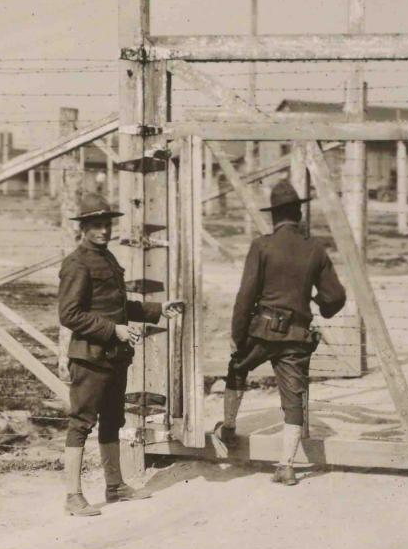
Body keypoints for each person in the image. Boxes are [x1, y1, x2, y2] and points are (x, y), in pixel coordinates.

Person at [57, 191, 184, 516]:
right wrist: (114, 330)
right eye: (96, 225)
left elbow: (117, 306)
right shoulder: (77, 263)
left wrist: (157, 309)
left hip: (115, 356)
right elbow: (69, 314)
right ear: (83, 227)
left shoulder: (108, 259)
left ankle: (115, 487)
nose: (104, 231)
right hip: (89, 357)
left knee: (113, 420)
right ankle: (73, 496)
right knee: (81, 423)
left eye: (106, 224)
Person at [213, 180, 346, 485]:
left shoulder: (262, 245)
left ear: (274, 216)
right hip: (297, 337)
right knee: (294, 399)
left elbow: (245, 295)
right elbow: (335, 297)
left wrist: (237, 333)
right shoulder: (315, 249)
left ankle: (229, 428)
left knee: (237, 368)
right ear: (299, 214)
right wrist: (318, 304)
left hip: (261, 334)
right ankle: (285, 465)